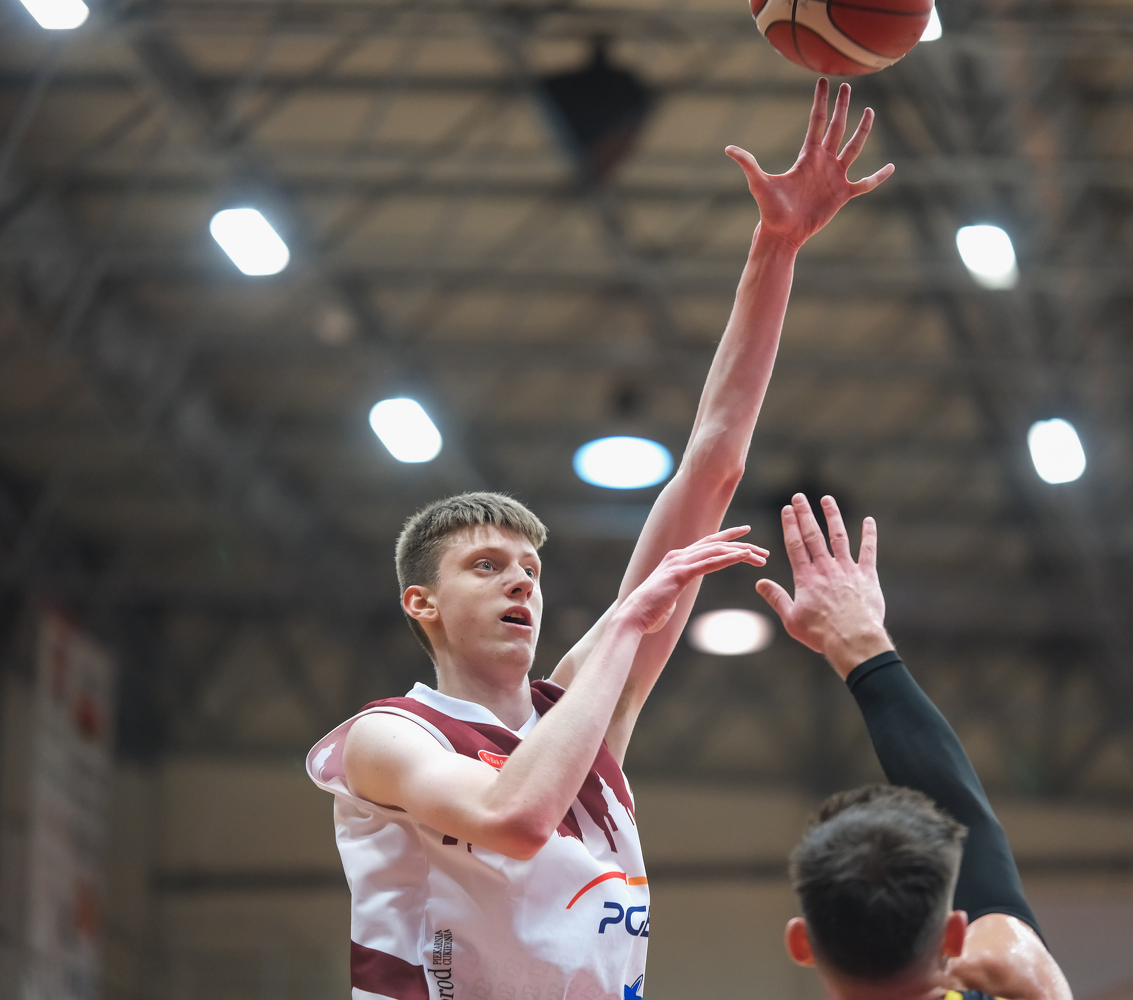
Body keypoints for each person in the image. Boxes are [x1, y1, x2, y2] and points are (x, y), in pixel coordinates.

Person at [306, 81, 896, 1000]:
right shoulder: (390, 736)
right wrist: (625, 624)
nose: (520, 584)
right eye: (487, 566)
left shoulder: (580, 719)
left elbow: (713, 462)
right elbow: (514, 818)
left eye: (530, 569)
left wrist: (776, 248)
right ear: (421, 602)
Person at [755, 493, 1073, 1000]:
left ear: (802, 942)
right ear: (954, 934)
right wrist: (861, 643)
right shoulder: (1010, 981)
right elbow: (969, 823)